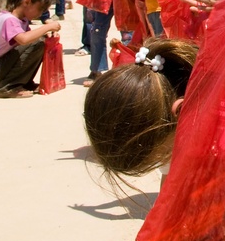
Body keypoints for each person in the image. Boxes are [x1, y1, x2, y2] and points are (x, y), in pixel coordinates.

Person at [83, 38, 197, 179]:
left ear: (181, 111)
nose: (164, 160)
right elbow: (168, 175)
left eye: (159, 157)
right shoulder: (165, 118)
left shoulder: (224, 136)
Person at [0, 0, 59, 98]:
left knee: (40, 42)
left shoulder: (21, 19)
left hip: (0, 67)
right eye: (40, 9)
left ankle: (24, 82)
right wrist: (48, 27)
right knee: (37, 44)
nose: (40, 14)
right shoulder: (9, 19)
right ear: (27, 2)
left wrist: (45, 35)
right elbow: (24, 40)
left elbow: (29, 40)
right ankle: (8, 87)